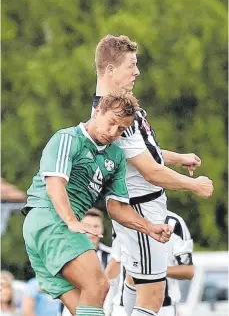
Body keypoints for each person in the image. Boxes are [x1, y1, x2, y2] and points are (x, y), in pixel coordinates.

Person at [93, 34, 214, 316]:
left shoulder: (114, 105)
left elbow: (144, 154)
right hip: (142, 207)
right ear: (110, 70)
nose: (137, 71)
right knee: (153, 296)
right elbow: (149, 170)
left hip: (139, 206)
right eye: (131, 65)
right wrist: (194, 185)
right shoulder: (112, 114)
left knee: (138, 284)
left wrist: (177, 157)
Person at [22, 93, 172, 316]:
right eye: (111, 122)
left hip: (51, 228)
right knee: (99, 284)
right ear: (98, 111)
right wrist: (71, 221)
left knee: (87, 307)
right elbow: (55, 186)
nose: (113, 132)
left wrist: (149, 228)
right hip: (49, 219)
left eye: (121, 129)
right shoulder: (68, 138)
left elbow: (117, 208)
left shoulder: (116, 156)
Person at [104, 210, 194, 316]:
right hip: (123, 307)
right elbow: (116, 260)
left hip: (162, 308)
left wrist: (151, 269)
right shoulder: (122, 219)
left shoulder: (174, 222)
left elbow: (188, 271)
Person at [62, 208, 112, 316]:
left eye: (96, 226)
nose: (91, 231)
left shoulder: (111, 256)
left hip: (107, 309)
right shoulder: (67, 255)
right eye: (87, 226)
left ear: (102, 228)